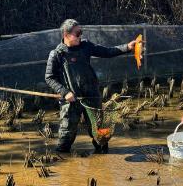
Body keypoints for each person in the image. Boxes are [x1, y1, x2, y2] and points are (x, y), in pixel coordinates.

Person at [45, 19, 136, 153]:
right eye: (77, 33)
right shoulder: (57, 54)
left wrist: (127, 47)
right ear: (66, 34)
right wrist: (65, 92)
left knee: (100, 135)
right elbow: (49, 78)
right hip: (71, 101)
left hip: (92, 97)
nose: (80, 36)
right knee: (65, 137)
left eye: (81, 32)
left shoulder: (85, 46)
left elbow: (107, 52)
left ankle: (102, 163)